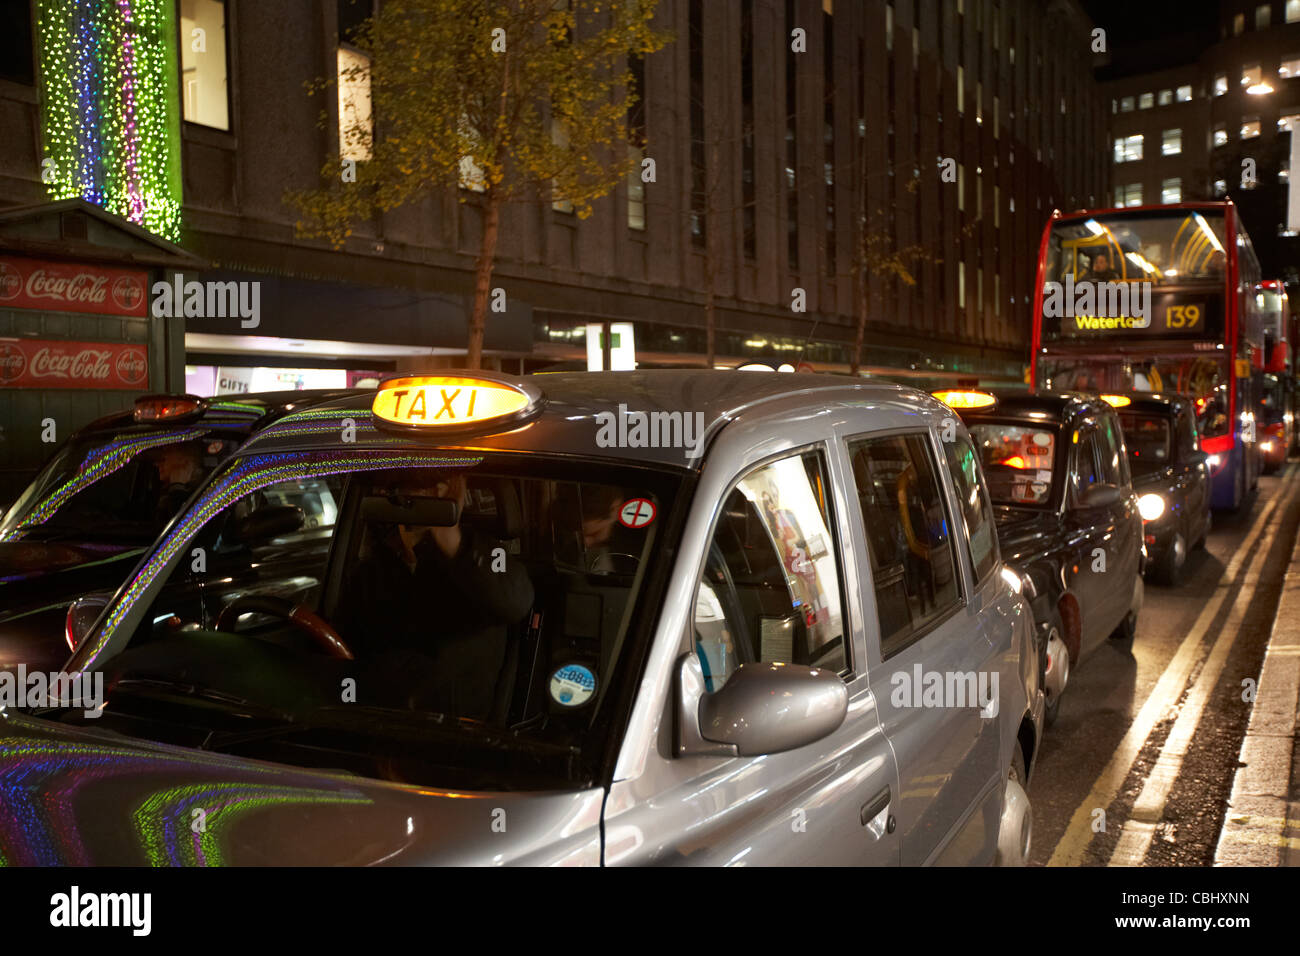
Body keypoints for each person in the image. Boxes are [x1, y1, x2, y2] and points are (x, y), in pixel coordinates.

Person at [336, 471, 534, 720]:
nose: (406, 497)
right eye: (398, 489)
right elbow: (340, 649)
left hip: (457, 735)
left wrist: (449, 534)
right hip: (380, 725)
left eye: (430, 488)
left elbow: (514, 602)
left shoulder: (484, 557)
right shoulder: (370, 570)